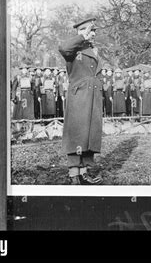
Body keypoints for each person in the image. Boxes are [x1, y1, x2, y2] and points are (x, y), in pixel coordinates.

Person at [58, 17, 103, 185]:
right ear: (82, 31)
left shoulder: (92, 49)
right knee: (76, 134)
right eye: (91, 30)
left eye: (93, 31)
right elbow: (63, 47)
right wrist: (82, 36)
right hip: (79, 97)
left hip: (93, 98)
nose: (93, 33)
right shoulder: (74, 49)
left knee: (89, 135)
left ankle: (85, 172)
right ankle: (74, 174)